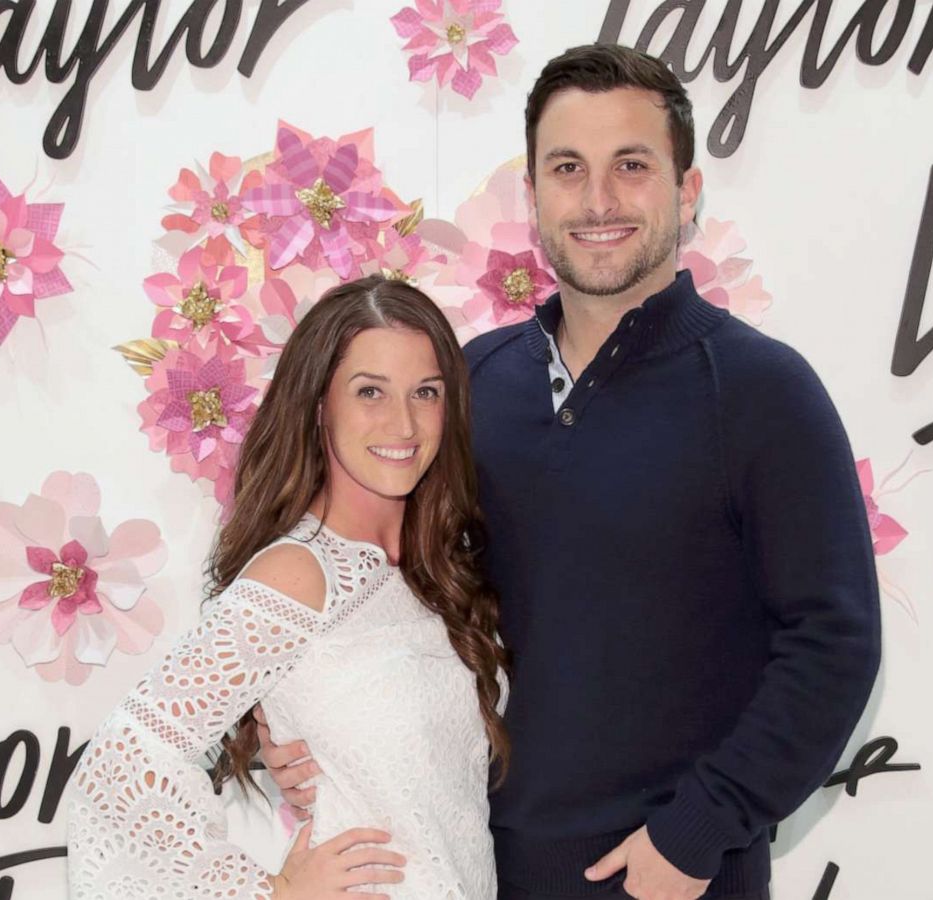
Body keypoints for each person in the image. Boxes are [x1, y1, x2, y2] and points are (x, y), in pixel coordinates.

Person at [262, 44, 881, 900]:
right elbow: (383, 586)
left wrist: (700, 830)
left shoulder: (762, 391)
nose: (597, 200)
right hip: (468, 868)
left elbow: (834, 643)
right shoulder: (469, 384)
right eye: (568, 168)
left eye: (632, 166)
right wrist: (287, 720)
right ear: (534, 196)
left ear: (687, 190)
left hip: (671, 877)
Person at [65, 276, 509, 899]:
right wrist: (267, 893)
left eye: (425, 392)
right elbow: (125, 762)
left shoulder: (440, 564)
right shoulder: (299, 574)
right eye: (370, 392)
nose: (403, 422)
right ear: (319, 405)